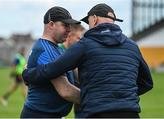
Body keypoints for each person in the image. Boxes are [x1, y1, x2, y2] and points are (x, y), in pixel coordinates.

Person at [22, 3, 153, 118]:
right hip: (130, 113)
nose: (69, 30)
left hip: (98, 113)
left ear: (94, 19)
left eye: (88, 22)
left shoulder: (85, 44)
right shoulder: (132, 45)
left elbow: (53, 71)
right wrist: (121, 95)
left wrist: (28, 74)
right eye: (65, 25)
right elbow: (147, 83)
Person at [20, 6, 81, 118]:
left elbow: (73, 74)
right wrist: (94, 100)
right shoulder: (44, 50)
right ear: (51, 24)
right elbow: (65, 90)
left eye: (70, 26)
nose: (69, 29)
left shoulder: (57, 48)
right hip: (39, 115)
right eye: (65, 25)